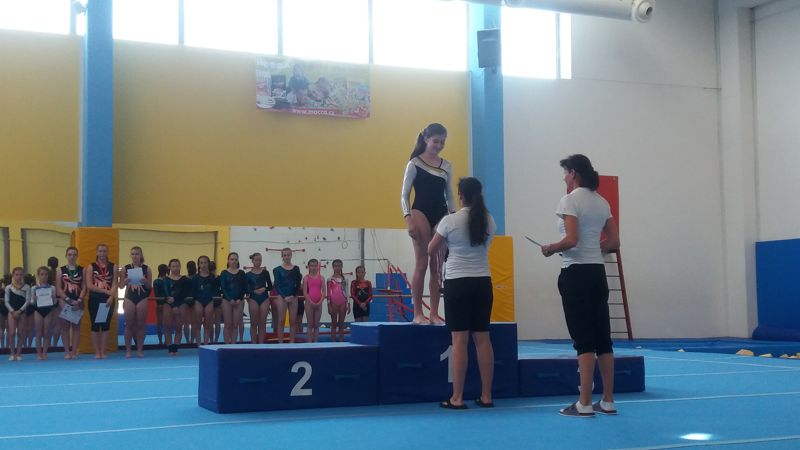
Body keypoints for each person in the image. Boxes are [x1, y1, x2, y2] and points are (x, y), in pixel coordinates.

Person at [540, 154, 620, 418]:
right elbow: (614, 242)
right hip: (597, 272)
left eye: (565, 173)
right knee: (603, 339)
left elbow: (571, 239)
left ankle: (584, 402)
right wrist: (595, 247)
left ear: (573, 173)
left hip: (575, 273)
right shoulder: (602, 202)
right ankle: (607, 400)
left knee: (583, 339)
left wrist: (551, 248)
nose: (564, 177)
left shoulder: (570, 200)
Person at [428, 177, 497, 410]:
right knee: (483, 338)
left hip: (457, 282)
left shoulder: (450, 221)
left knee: (459, 340)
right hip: (482, 282)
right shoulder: (488, 220)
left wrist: (443, 238)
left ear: (460, 196)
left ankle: (457, 397)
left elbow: (431, 249)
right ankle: (486, 396)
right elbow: (485, 246)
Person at [401, 123, 455, 324]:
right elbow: (404, 195)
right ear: (426, 139)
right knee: (422, 262)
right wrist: (408, 219)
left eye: (442, 142)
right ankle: (417, 313)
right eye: (435, 141)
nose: (439, 145)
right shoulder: (414, 163)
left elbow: (450, 195)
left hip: (440, 214)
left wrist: (454, 217)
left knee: (437, 267)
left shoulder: (446, 165)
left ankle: (433, 313)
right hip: (419, 212)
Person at [85, 244, 117, 359]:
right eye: (100, 251)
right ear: (97, 252)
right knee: (95, 325)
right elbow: (89, 285)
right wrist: (105, 291)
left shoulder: (113, 266)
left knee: (105, 326)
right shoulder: (91, 267)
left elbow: (114, 284)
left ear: (107, 252)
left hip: (108, 300)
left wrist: (111, 297)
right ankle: (97, 352)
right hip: (95, 298)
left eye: (104, 251)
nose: (102, 253)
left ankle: (103, 351)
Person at [56, 247, 86, 359]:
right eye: (70, 254)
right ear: (66, 256)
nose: (72, 257)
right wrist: (67, 300)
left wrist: (79, 300)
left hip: (78, 301)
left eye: (74, 254)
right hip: (64, 301)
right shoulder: (60, 270)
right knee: (65, 327)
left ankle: (74, 351)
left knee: (76, 327)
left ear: (77, 256)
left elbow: (84, 287)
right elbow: (58, 288)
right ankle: (67, 351)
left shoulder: (82, 270)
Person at [122, 246, 152, 358]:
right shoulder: (125, 268)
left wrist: (145, 281)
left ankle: (140, 349)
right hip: (129, 297)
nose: (135, 256)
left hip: (142, 297)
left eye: (137, 254)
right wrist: (125, 281)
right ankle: (128, 350)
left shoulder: (147, 269)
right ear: (130, 255)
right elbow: (120, 286)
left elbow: (149, 287)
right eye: (133, 254)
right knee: (128, 324)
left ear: (141, 255)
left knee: (141, 324)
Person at [273, 248, 302, 343]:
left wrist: (293, 295)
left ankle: (292, 341)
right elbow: (277, 285)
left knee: (293, 321)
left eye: (288, 255)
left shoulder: (296, 268)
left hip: (293, 296)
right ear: (282, 256)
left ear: (291, 255)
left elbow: (298, 284)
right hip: (282, 297)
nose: (286, 257)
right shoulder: (277, 269)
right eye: (284, 255)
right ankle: (280, 342)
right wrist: (284, 296)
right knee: (281, 320)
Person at [163, 259, 191, 355]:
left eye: (177, 266)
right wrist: (172, 304)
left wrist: (175, 302)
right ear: (169, 267)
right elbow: (166, 292)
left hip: (181, 303)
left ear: (180, 267)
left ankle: (175, 347)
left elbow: (184, 293)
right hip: (168, 303)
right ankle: (170, 347)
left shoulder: (185, 279)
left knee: (178, 327)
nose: (175, 268)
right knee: (168, 327)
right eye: (173, 266)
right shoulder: (166, 279)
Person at [246, 253, 273, 344]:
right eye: (256, 260)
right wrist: (253, 291)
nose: (258, 262)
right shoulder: (248, 275)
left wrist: (265, 288)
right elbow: (246, 289)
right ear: (252, 261)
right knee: (254, 323)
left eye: (260, 260)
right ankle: (254, 344)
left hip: (264, 298)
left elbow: (270, 286)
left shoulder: (265, 272)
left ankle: (261, 344)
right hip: (253, 298)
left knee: (262, 323)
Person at [219, 253, 246, 345]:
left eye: (235, 259)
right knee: (228, 325)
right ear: (228, 260)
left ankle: (233, 345)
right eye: (232, 259)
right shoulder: (224, 273)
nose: (233, 261)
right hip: (226, 300)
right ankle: (227, 345)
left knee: (235, 325)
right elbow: (223, 288)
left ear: (238, 261)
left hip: (239, 301)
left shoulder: (241, 273)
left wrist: (239, 298)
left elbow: (243, 288)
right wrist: (229, 299)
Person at [5, 267, 31, 360]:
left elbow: (27, 301)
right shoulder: (8, 287)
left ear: (23, 275)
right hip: (11, 312)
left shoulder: (27, 287)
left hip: (22, 312)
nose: (18, 276)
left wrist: (20, 311)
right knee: (12, 333)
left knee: (20, 333)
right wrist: (12, 311)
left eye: (20, 274)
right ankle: (12, 353)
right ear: (13, 275)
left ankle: (18, 353)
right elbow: (6, 301)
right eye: (16, 274)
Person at [31, 266, 57, 360]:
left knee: (47, 332)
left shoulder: (52, 288)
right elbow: (31, 302)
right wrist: (34, 298)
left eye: (46, 274)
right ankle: (39, 353)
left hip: (48, 310)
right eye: (42, 274)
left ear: (48, 275)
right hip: (38, 311)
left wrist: (53, 298)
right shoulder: (34, 288)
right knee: (38, 333)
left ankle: (45, 352)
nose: (44, 276)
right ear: (38, 275)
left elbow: (54, 303)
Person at [193, 256, 219, 345]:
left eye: (205, 263)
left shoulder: (213, 277)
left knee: (208, 324)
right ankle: (198, 344)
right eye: (201, 263)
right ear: (199, 265)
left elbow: (216, 290)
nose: (203, 265)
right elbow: (193, 291)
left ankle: (206, 344)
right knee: (198, 324)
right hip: (198, 301)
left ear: (208, 264)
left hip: (209, 301)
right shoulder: (195, 278)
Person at [302, 259, 325, 343]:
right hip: (309, 303)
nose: (314, 267)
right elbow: (305, 292)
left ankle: (315, 342)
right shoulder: (306, 278)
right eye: (312, 266)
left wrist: (320, 302)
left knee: (316, 324)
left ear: (318, 267)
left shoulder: (321, 278)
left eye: (315, 266)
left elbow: (324, 292)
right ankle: (309, 342)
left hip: (319, 303)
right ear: (308, 267)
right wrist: (310, 301)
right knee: (310, 324)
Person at [327, 259, 349, 342]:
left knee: (341, 323)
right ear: (333, 267)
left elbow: (347, 292)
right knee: (333, 323)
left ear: (341, 267)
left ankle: (341, 341)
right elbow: (328, 293)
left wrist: (348, 304)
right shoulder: (330, 279)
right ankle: (333, 342)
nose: (337, 268)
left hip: (343, 302)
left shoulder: (345, 279)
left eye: (339, 266)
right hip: (333, 302)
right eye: (335, 266)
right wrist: (329, 305)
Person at [152, 264, 169, 345]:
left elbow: (156, 294)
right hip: (167, 304)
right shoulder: (168, 280)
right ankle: (166, 340)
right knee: (166, 324)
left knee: (159, 324)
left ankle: (160, 341)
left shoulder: (156, 281)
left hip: (159, 304)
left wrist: (159, 303)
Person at [47, 256, 62, 348]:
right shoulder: (60, 273)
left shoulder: (45, 274)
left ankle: (48, 344)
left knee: (48, 324)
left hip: (47, 300)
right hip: (57, 300)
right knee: (57, 324)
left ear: (48, 264)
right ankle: (55, 344)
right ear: (57, 264)